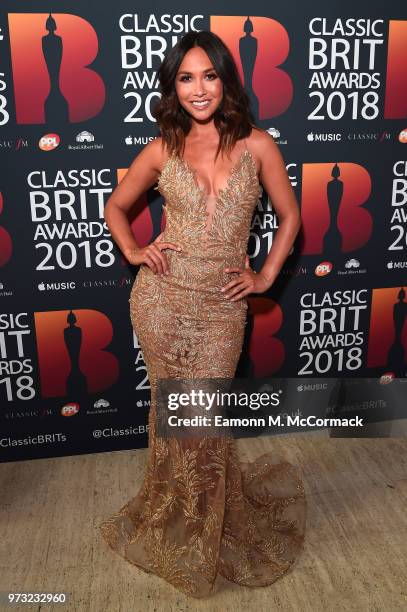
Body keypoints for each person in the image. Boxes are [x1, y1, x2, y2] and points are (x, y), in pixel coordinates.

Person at [100, 30, 307, 599]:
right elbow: (116, 207)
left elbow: (290, 217)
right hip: (161, 302)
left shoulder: (258, 145)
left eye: (209, 76)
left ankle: (210, 526)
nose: (198, 89)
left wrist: (265, 277)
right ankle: (174, 519)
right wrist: (136, 250)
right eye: (186, 78)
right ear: (173, 86)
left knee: (204, 422)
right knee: (176, 419)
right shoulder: (162, 149)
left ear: (226, 82)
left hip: (220, 308)